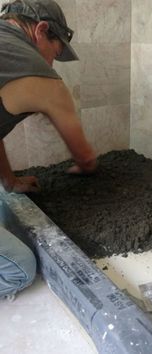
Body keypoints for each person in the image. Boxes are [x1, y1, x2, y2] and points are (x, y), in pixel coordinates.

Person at [0, 0, 96, 297]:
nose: (51, 64)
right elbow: (86, 157)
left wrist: (10, 182)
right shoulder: (34, 70)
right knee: (20, 267)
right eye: (55, 53)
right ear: (41, 30)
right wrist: (85, 165)